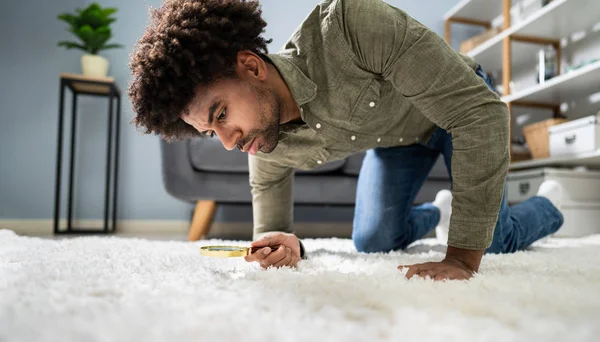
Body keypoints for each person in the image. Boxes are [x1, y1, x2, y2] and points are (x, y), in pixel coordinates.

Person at [128, 0, 565, 280]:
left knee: (495, 240)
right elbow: (274, 237)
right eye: (210, 132)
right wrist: (285, 247)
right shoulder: (264, 143)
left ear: (252, 67)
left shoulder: (351, 25)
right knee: (372, 239)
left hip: (456, 111)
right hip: (399, 141)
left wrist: (462, 259)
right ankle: (438, 212)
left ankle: (551, 205)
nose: (226, 142)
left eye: (221, 114)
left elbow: (481, 114)